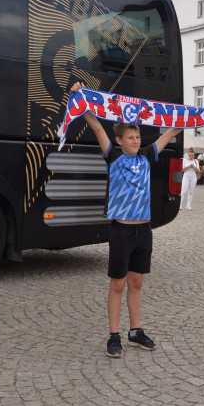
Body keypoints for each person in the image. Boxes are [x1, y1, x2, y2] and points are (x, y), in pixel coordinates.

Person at [78, 83, 183, 358]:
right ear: (120, 141)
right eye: (131, 137)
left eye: (138, 136)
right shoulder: (112, 156)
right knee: (118, 284)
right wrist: (82, 101)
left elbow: (171, 132)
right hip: (121, 231)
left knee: (136, 283)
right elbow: (98, 128)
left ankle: (135, 331)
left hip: (143, 231)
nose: (136, 141)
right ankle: (114, 336)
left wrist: (187, 118)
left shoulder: (148, 155)